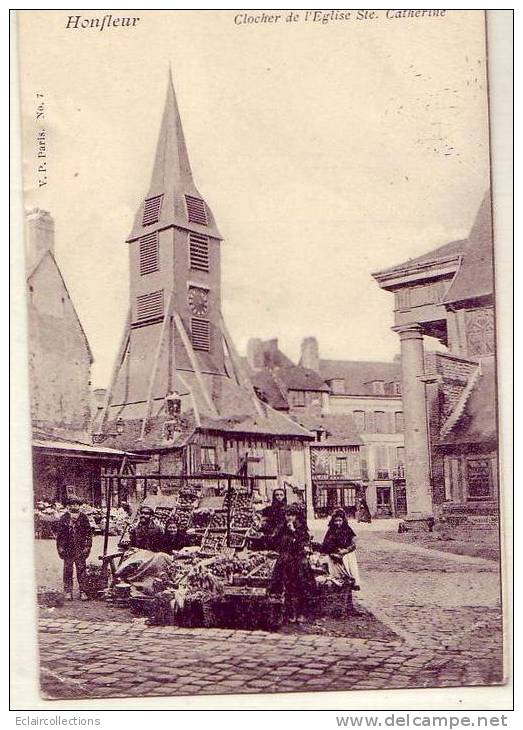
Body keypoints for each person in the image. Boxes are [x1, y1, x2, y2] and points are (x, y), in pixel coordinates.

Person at [270, 503, 315, 623]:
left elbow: (303, 542)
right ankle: (291, 613)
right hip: (285, 561)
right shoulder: (282, 527)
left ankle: (301, 613)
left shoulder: (301, 528)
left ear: (296, 516)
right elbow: (275, 541)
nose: (289, 518)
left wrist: (294, 531)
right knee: (287, 587)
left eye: (292, 515)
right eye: (287, 515)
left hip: (298, 562)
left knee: (300, 587)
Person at [56, 493, 93, 600]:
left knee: (81, 570)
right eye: (71, 504)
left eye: (76, 504)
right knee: (68, 570)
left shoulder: (84, 518)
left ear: (79, 505)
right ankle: (68, 591)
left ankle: (83, 591)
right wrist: (60, 547)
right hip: (68, 549)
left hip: (80, 548)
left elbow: (89, 534)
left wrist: (87, 546)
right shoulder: (64, 518)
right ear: (68, 506)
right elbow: (60, 535)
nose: (74, 506)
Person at [321, 508, 361, 590]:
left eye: (340, 520)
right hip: (334, 555)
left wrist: (345, 550)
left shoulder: (347, 530)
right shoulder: (331, 531)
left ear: (343, 520)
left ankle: (353, 581)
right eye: (336, 521)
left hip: (346, 554)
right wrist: (332, 552)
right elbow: (325, 545)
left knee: (349, 558)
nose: (338, 523)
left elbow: (353, 544)